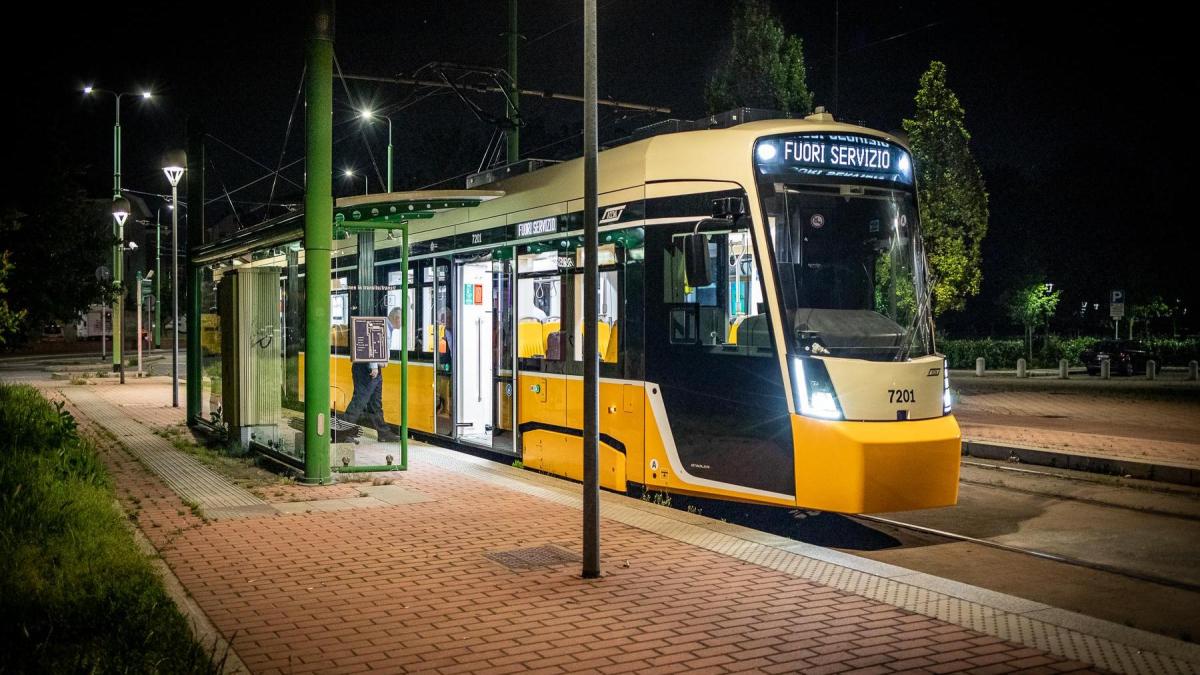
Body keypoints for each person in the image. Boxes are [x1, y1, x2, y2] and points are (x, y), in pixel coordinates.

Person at [343, 310, 403, 443]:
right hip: (367, 370)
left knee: (375, 403)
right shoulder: (382, 326)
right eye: (403, 320)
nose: (404, 323)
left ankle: (383, 433)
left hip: (374, 370)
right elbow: (373, 343)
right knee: (359, 401)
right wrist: (374, 366)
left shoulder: (388, 327)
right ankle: (343, 433)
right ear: (397, 318)